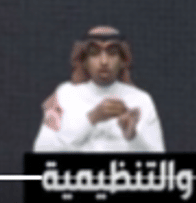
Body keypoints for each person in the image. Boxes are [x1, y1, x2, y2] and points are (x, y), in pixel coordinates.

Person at [33, 25, 165, 152]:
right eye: (94, 52)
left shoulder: (142, 100)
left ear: (123, 60)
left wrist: (133, 137)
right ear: (83, 60)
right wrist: (92, 118)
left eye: (112, 52)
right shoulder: (63, 95)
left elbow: (159, 160)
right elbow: (41, 150)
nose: (104, 61)